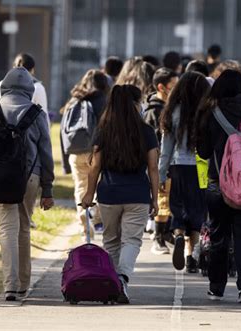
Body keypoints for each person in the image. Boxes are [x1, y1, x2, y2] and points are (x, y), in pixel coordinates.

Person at [196, 69, 241, 303]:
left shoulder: (211, 112)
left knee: (219, 236)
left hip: (219, 184)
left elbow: (204, 151)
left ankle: (217, 287)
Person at [0, 67, 55, 301]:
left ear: (4, 85)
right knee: (24, 228)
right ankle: (23, 285)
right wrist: (48, 187)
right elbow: (45, 152)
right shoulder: (37, 113)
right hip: (29, 177)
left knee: (7, 230)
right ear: (29, 89)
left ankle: (10, 286)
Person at [81, 85, 159, 304]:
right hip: (138, 194)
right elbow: (153, 167)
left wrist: (88, 194)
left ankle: (112, 282)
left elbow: (95, 166)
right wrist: (155, 198)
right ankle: (122, 278)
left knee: (111, 240)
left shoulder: (103, 130)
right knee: (131, 240)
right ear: (136, 105)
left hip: (109, 194)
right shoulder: (146, 131)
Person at [159, 71, 210, 273]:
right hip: (201, 167)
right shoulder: (207, 111)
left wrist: (161, 174)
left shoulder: (173, 111)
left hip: (178, 165)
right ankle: (191, 256)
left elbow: (166, 148)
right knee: (197, 210)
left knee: (178, 207)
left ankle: (178, 234)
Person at [60, 70, 110, 240]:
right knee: (99, 184)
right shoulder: (104, 101)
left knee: (80, 187)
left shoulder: (74, 101)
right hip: (97, 151)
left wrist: (65, 162)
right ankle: (94, 212)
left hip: (75, 152)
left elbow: (63, 131)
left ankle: (84, 224)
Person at [143, 68, 179, 254]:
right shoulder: (154, 112)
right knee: (162, 201)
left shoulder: (169, 108)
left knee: (169, 201)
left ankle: (166, 233)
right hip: (159, 164)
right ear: (161, 87)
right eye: (173, 86)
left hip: (171, 162)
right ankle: (158, 238)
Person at [0, 53, 50, 128]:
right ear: (32, 70)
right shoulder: (38, 88)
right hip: (27, 137)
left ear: (13, 67)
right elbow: (44, 119)